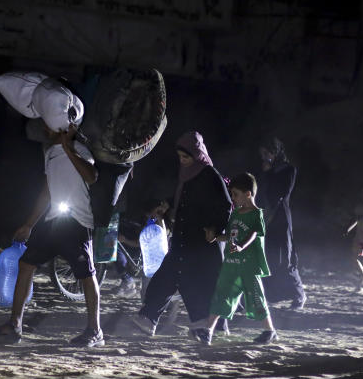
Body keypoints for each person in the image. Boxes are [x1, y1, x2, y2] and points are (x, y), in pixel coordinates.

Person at [0, 84, 103, 347]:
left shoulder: (82, 151)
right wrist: (29, 224)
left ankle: (95, 331)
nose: (45, 129)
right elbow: (46, 191)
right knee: (25, 264)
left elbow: (92, 176)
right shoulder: (49, 154)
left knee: (86, 275)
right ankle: (15, 324)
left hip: (77, 222)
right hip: (54, 220)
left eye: (48, 125)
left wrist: (69, 147)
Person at [132, 131, 231, 337]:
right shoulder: (187, 174)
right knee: (172, 276)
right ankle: (153, 318)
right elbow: (183, 198)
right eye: (180, 157)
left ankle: (205, 325)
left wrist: (215, 228)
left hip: (199, 240)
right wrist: (167, 204)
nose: (183, 161)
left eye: (186, 157)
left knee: (188, 280)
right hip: (183, 238)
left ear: (197, 154)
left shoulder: (210, 174)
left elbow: (226, 205)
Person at [200, 173, 276, 345]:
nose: (232, 198)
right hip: (231, 264)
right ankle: (208, 331)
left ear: (248, 194)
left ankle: (269, 331)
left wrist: (241, 245)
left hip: (249, 266)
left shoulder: (256, 214)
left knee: (256, 297)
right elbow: (230, 236)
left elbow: (253, 234)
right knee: (222, 294)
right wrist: (215, 237)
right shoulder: (235, 214)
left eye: (235, 194)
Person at [256, 135, 306, 309]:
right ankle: (274, 295)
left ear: (275, 151)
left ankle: (298, 295)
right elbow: (262, 191)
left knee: (286, 257)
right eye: (262, 154)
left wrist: (270, 214)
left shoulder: (289, 169)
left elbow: (282, 193)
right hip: (266, 216)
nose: (264, 157)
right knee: (268, 256)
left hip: (281, 217)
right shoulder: (267, 169)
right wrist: (267, 172)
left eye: (267, 153)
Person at [112, 197, 169, 298]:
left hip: (148, 258)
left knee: (146, 292)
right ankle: (128, 282)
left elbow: (141, 242)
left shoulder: (158, 222)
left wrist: (125, 240)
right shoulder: (149, 219)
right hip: (142, 255)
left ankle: (128, 281)